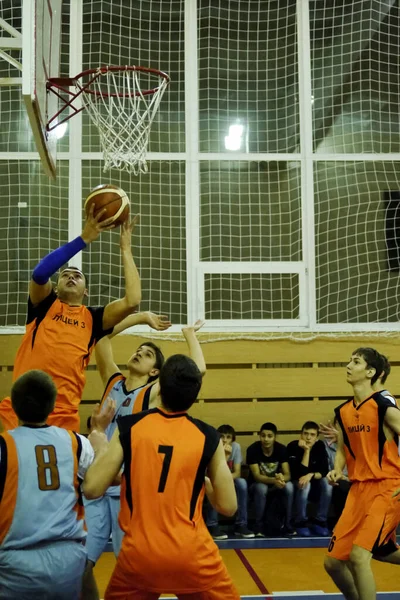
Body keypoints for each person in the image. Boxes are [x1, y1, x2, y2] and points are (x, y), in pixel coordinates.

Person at [83, 354, 240, 600]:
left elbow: (92, 488)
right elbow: (228, 507)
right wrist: (204, 481)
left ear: (160, 387)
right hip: (192, 556)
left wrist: (100, 439)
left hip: (139, 556)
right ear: (195, 395)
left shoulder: (130, 426)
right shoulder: (208, 436)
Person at [82, 315, 205, 599]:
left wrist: (189, 334)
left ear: (155, 372)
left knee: (137, 574)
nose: (139, 353)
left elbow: (196, 371)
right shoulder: (112, 379)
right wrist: (138, 318)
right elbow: (99, 336)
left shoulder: (152, 391)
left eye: (148, 354)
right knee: (80, 564)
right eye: (139, 349)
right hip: (97, 485)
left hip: (128, 491)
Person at [0, 206, 141, 432]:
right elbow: (39, 273)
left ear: (86, 291)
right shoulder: (44, 305)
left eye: (78, 276)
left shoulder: (94, 318)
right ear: (56, 287)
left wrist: (125, 249)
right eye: (65, 275)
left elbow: (132, 300)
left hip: (63, 414)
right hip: (21, 408)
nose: (71, 277)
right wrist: (84, 239)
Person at [0, 370, 98, 599]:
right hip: (68, 561)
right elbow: (99, 480)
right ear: (53, 406)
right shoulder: (77, 443)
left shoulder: (4, 447)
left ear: (12, 407)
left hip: (16, 562)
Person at [324, 347, 400, 600]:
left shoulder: (383, 406)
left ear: (370, 372)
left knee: (359, 556)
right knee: (333, 563)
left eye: (355, 362)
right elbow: (344, 449)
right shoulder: (343, 411)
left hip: (388, 487)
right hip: (358, 491)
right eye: (349, 360)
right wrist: (336, 469)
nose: (348, 365)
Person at [205, 424, 254, 540]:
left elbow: (237, 473)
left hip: (230, 478)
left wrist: (224, 480)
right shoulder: (213, 446)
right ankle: (212, 524)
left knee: (242, 483)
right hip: (212, 479)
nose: (225, 440)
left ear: (232, 439)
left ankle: (241, 524)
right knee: (213, 484)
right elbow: (211, 474)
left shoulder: (235, 447)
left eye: (228, 437)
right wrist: (225, 457)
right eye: (222, 437)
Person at [246, 422, 294, 537]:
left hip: (275, 485)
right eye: (263, 436)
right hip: (256, 485)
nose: (266, 439)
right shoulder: (252, 449)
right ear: (259, 436)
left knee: (290, 486)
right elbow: (257, 476)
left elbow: (288, 475)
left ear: (275, 437)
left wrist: (282, 479)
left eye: (269, 436)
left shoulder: (281, 449)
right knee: (261, 488)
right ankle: (259, 526)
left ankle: (288, 525)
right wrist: (275, 481)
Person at [287, 421, 331, 537]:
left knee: (328, 483)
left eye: (312, 435)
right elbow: (298, 474)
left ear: (317, 438)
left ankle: (320, 521)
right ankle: (300, 521)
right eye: (305, 434)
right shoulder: (293, 446)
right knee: (305, 484)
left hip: (314, 481)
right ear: (301, 435)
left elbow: (324, 471)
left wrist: (311, 475)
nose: (308, 437)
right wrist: (306, 451)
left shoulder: (320, 446)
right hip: (297, 482)